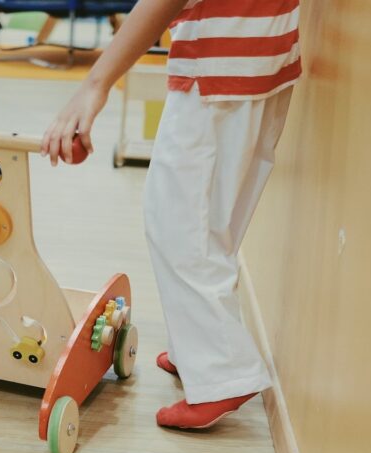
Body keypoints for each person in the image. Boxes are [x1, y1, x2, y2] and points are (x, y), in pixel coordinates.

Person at [41, 0, 300, 428]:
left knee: (177, 226)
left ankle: (222, 373)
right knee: (214, 225)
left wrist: (96, 83)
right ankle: (198, 353)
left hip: (219, 67)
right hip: (264, 58)